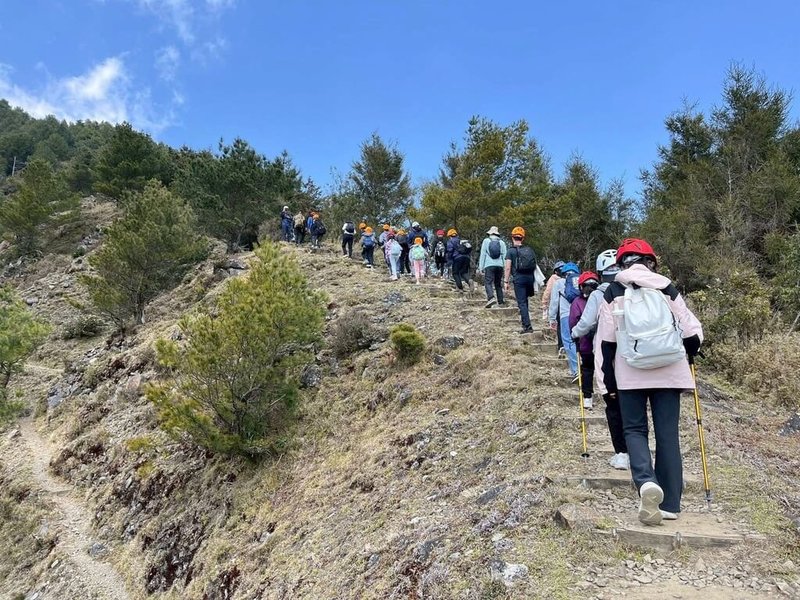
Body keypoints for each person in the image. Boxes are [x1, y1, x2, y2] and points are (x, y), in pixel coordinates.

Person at [597, 238, 703, 525]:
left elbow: (605, 343)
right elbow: (692, 333)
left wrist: (606, 384)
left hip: (630, 372)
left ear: (620, 264)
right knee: (668, 435)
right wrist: (690, 352)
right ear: (652, 261)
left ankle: (645, 481)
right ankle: (670, 504)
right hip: (670, 370)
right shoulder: (666, 287)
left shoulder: (613, 291)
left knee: (634, 429)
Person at [570, 249, 628, 470]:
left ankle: (622, 454)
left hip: (608, 355)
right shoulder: (634, 288)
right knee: (633, 406)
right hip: (635, 356)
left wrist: (575, 333)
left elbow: (585, 324)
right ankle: (639, 453)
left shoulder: (598, 295)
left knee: (613, 405)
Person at [569, 271, 601, 410]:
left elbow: (572, 321)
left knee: (587, 370)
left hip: (585, 343)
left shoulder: (577, 302)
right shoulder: (603, 297)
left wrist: (574, 334)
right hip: (603, 341)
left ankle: (587, 398)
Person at [549, 262, 580, 380]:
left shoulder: (558, 283)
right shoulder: (581, 281)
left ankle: (576, 370)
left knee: (568, 341)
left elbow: (554, 302)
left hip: (566, 315)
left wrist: (552, 318)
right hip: (581, 314)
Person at [504, 226, 537, 334]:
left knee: (521, 302)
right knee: (525, 301)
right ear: (522, 238)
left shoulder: (511, 251)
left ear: (512, 238)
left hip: (519, 279)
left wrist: (506, 281)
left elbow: (508, 267)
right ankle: (526, 322)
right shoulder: (529, 250)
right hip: (530, 278)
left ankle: (527, 326)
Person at [478, 226, 507, 308]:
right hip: (499, 265)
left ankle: (491, 298)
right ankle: (500, 301)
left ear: (490, 233)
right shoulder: (502, 242)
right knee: (498, 284)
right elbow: (505, 256)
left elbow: (483, 254)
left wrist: (481, 267)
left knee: (488, 282)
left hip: (489, 265)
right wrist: (505, 267)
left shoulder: (486, 241)